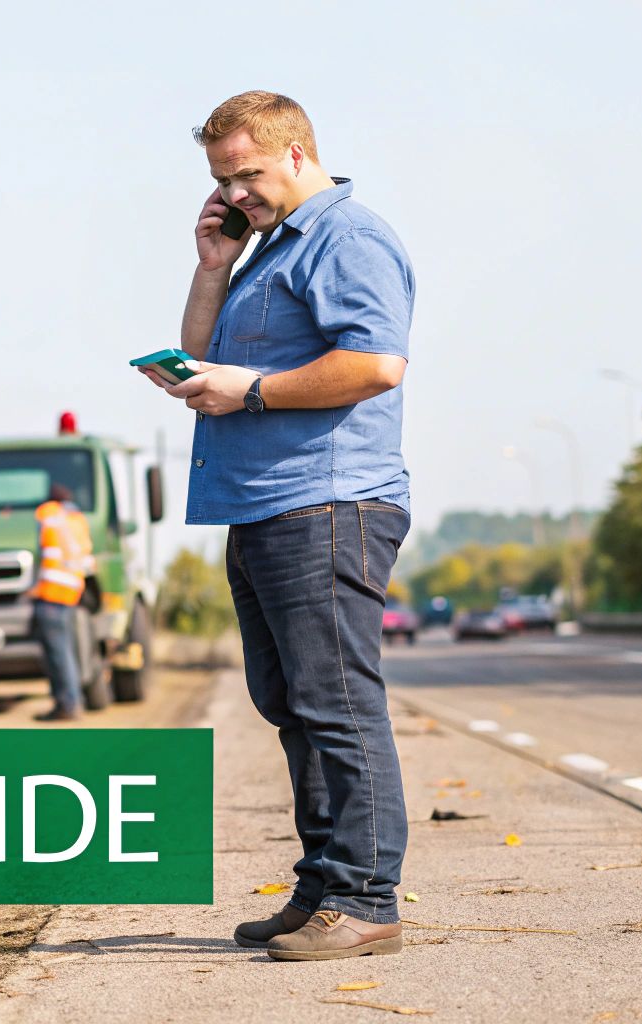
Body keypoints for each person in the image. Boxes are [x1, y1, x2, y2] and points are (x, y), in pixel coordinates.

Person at [140, 91, 414, 961]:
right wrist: (213, 265)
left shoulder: (347, 237)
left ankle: (368, 900)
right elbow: (204, 360)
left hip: (326, 502)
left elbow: (377, 363)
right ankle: (324, 885)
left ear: (297, 153)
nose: (235, 194)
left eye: (247, 175)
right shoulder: (266, 248)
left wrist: (252, 390)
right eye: (222, 180)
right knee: (291, 704)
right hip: (263, 503)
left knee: (337, 705)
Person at [29, 483, 94, 723]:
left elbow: (43, 552)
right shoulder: (78, 519)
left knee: (58, 654)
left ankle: (68, 704)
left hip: (51, 593)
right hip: (71, 591)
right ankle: (71, 701)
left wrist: (35, 587)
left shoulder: (48, 513)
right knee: (66, 651)